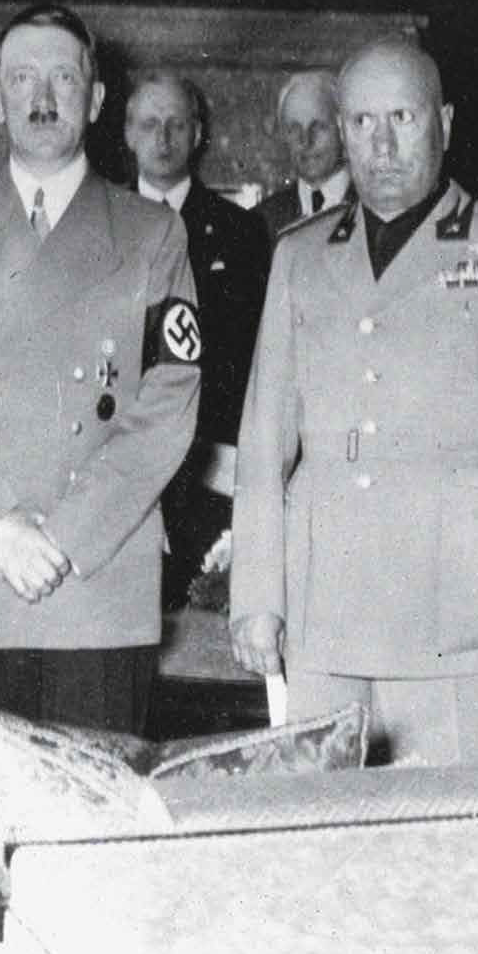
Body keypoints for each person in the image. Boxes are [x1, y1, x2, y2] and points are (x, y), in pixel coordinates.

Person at [230, 38, 478, 764]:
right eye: (362, 121)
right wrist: (256, 595)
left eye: (402, 117)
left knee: (456, 825)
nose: (382, 144)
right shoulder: (300, 254)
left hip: (459, 619)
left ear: (445, 123)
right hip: (323, 611)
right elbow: (263, 443)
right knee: (321, 822)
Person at [0, 3, 200, 735]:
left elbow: (169, 401)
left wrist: (68, 538)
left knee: (93, 801)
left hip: (95, 581)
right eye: (22, 78)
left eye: (64, 77)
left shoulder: (152, 235)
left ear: (96, 99)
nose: (43, 97)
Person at [122, 71, 270, 610]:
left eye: (176, 125)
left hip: (210, 471)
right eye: (149, 125)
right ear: (128, 133)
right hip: (123, 469)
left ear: (198, 133)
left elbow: (253, 358)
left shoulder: (240, 232)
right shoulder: (101, 227)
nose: (162, 139)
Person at [254, 69, 352, 241]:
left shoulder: (374, 208)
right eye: (294, 129)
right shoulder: (261, 221)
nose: (306, 141)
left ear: (342, 128)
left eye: (318, 127)